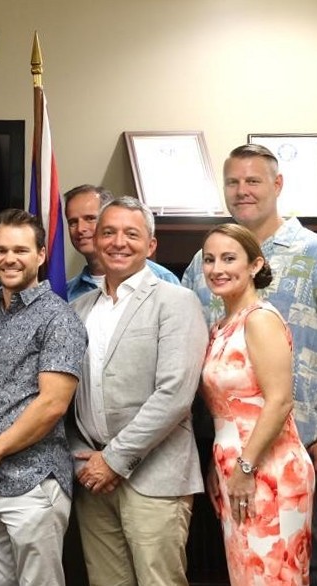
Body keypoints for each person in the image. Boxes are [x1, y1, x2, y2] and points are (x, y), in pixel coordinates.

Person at [181, 144, 317, 570]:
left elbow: (279, 397)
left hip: (295, 446)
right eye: (233, 182)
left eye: (253, 180)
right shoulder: (201, 269)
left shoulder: (312, 254)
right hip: (228, 454)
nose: (242, 190)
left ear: (277, 185)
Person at [67, 197, 208, 585]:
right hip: (92, 479)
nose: (118, 242)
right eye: (108, 232)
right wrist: (86, 460)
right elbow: (65, 396)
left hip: (155, 477)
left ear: (151, 245)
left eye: (132, 234)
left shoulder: (177, 301)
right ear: (94, 240)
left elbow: (175, 394)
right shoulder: (78, 309)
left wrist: (113, 459)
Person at [0, 208, 87, 586]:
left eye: (21, 250)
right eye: (1, 250)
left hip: (32, 483)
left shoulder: (59, 319)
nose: (9, 259)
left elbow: (52, 404)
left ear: (41, 255)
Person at [199, 223, 313, 585]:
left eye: (229, 258)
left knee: (275, 577)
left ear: (254, 265)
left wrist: (245, 468)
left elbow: (279, 402)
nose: (217, 268)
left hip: (270, 468)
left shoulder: (260, 320)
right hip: (234, 467)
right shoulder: (221, 326)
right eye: (210, 259)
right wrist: (222, 467)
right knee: (246, 575)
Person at [63, 184, 178, 301]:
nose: (80, 229)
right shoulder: (68, 294)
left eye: (90, 218)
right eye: (73, 222)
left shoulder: (163, 278)